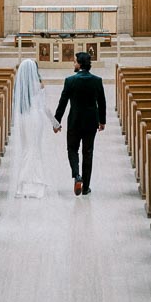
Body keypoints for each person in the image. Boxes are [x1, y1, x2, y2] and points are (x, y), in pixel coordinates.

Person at [52, 51, 106, 195]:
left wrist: (56, 123)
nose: (73, 64)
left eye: (75, 61)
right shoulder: (97, 80)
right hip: (91, 122)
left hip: (75, 121)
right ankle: (86, 187)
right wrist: (102, 121)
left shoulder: (70, 81)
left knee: (72, 149)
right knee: (88, 153)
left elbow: (62, 103)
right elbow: (102, 103)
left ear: (80, 64)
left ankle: (77, 176)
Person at [11, 57, 59, 198]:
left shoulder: (20, 86)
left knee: (27, 148)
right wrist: (55, 123)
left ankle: (22, 185)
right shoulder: (39, 85)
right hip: (35, 119)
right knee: (34, 149)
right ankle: (35, 184)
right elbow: (44, 107)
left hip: (24, 119)